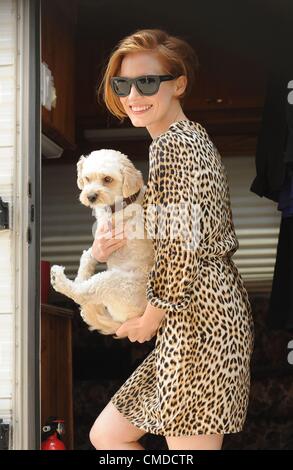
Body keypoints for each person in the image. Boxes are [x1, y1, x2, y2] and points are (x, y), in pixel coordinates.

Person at [89, 28, 254, 450]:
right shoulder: (180, 140)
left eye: (147, 81)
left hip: (202, 317)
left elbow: (181, 244)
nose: (132, 95)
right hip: (191, 313)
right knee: (108, 435)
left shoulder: (175, 146)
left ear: (178, 84)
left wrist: (150, 317)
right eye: (122, 84)